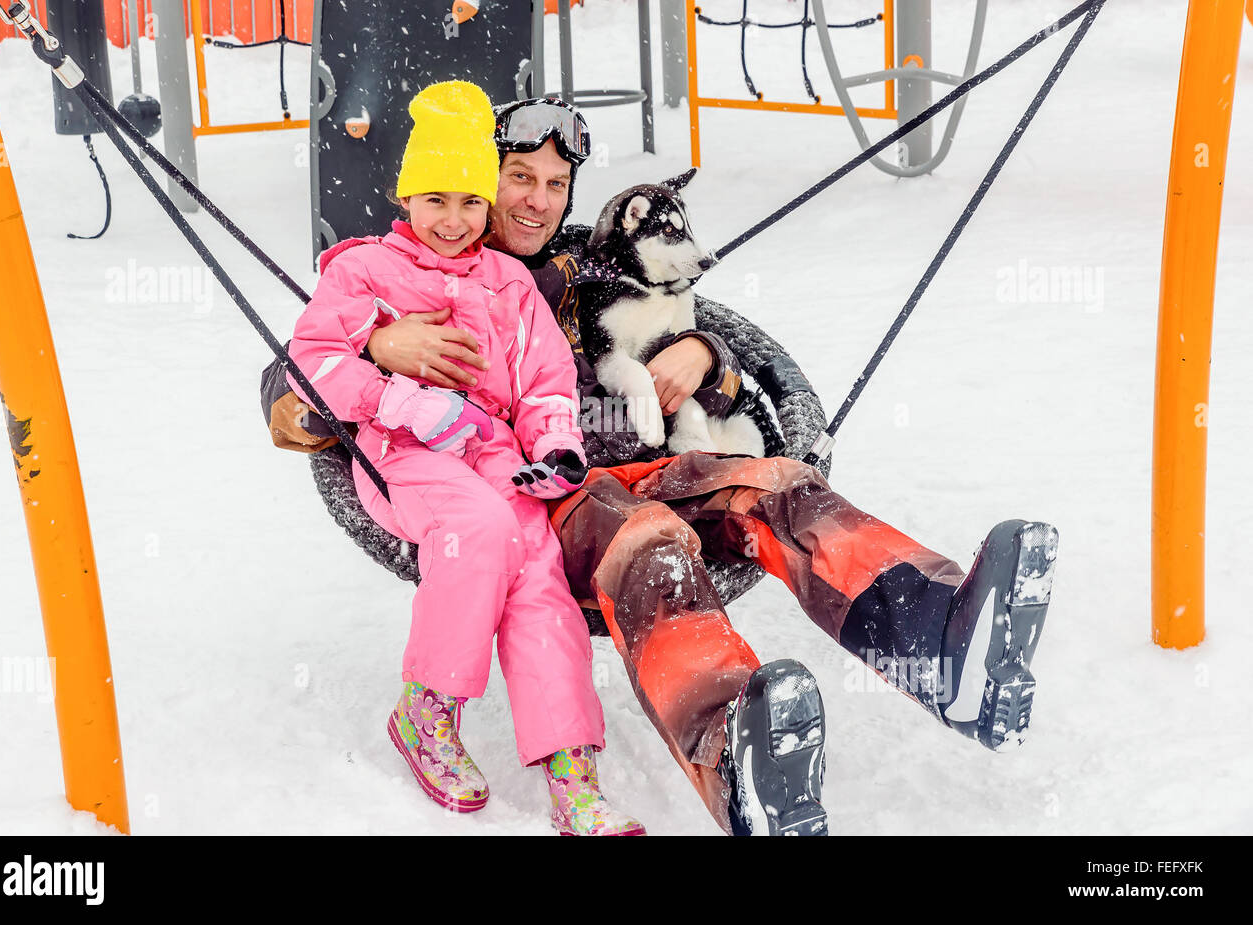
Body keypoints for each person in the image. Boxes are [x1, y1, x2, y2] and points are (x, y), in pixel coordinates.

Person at [358, 98, 1060, 837]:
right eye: (517, 177)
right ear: (473, 175)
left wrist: (705, 356)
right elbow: (302, 374)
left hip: (665, 462)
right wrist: (381, 347)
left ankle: (943, 645)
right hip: (556, 497)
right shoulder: (421, 270)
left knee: (777, 486)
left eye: (556, 183)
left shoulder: (592, 256)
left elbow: (704, 327)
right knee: (650, 548)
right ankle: (735, 759)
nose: (537, 199)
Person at [283, 82, 645, 836]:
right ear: (406, 195)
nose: (454, 221)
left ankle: (571, 764)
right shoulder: (366, 271)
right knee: (478, 529)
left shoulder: (512, 283)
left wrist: (554, 447)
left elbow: (546, 383)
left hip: (497, 456)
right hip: (400, 451)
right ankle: (425, 707)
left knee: (537, 570)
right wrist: (400, 397)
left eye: (470, 202)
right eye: (436, 199)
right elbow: (310, 361)